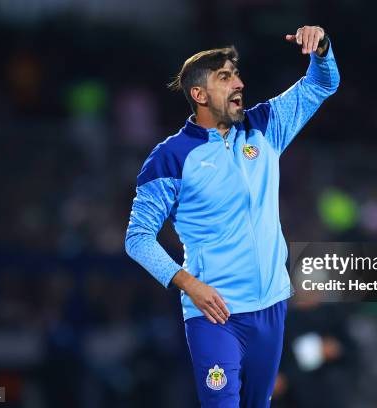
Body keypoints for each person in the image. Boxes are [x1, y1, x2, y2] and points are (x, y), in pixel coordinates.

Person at [125, 25, 339, 407]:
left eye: (236, 73)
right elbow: (137, 237)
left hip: (272, 306)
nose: (238, 82)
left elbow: (321, 84)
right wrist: (189, 284)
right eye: (225, 77)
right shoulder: (169, 159)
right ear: (199, 94)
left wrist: (321, 48)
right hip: (215, 313)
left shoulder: (264, 126)